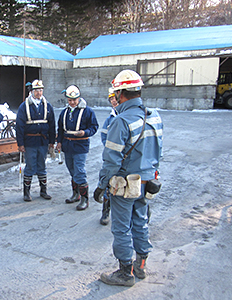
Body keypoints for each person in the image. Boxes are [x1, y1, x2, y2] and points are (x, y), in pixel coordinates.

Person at [93, 70, 163, 286]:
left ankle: (125, 273)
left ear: (121, 93)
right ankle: (140, 266)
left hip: (125, 185)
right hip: (147, 182)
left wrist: (101, 185)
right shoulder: (155, 117)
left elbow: (111, 161)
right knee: (140, 221)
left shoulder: (121, 121)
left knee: (121, 227)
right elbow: (158, 152)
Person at [56, 85, 98, 210]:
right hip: (68, 145)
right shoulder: (64, 112)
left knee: (79, 171)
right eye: (70, 100)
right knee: (72, 170)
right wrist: (59, 142)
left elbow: (94, 127)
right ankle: (76, 194)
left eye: (75, 100)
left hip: (80, 146)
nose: (73, 102)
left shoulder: (88, 111)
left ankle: (85, 199)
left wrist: (85, 133)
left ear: (79, 98)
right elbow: (60, 129)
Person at [16, 79, 56, 202]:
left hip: (43, 142)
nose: (39, 93)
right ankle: (26, 193)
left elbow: (52, 124)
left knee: (42, 165)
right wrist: (20, 144)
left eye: (40, 90)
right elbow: (19, 126)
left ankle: (43, 191)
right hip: (30, 142)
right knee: (30, 166)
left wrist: (52, 142)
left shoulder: (47, 105)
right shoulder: (24, 106)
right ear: (31, 91)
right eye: (36, 90)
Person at [99, 88, 119, 225]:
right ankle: (106, 211)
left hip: (127, 159)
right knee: (108, 185)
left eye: (115, 98)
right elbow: (104, 136)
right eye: (111, 99)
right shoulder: (110, 119)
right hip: (113, 157)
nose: (113, 101)